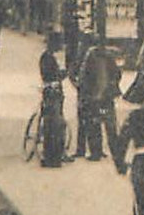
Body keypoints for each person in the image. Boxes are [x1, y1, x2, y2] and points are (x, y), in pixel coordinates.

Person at [76, 41, 123, 161]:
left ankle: (97, 153)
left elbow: (83, 77)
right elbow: (117, 74)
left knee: (96, 125)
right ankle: (115, 152)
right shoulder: (107, 57)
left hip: (97, 97)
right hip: (104, 97)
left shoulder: (89, 58)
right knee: (109, 126)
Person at [38, 31, 69, 168]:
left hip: (54, 93)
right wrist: (62, 74)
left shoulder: (49, 57)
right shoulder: (47, 58)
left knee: (54, 124)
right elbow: (49, 76)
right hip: (51, 94)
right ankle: (52, 156)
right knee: (54, 125)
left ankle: (55, 155)